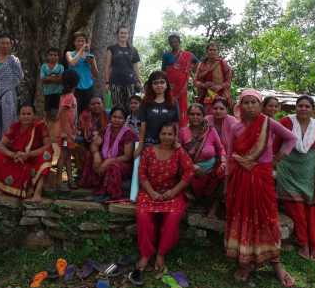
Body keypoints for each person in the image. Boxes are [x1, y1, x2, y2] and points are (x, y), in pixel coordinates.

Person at [224, 89, 298, 287]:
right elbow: (230, 152)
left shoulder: (268, 123)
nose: (250, 106)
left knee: (267, 218)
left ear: (260, 105)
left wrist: (276, 159)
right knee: (241, 219)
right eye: (246, 102)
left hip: (262, 178)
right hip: (239, 179)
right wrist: (226, 180)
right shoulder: (236, 128)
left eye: (253, 102)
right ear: (240, 105)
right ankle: (245, 263)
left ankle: (276, 264)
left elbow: (291, 138)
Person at [273, 95, 315, 263]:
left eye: (307, 106)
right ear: (295, 107)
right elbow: (275, 146)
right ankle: (303, 243)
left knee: (312, 209)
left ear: (312, 109)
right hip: (287, 172)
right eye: (300, 106)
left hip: (308, 174)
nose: (303, 109)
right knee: (296, 209)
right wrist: (271, 166)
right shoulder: (286, 122)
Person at [135, 123, 194, 273]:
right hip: (149, 193)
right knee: (143, 216)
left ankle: (161, 253)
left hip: (171, 194)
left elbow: (189, 171)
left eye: (170, 134)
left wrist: (174, 191)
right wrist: (151, 193)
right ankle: (146, 254)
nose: (166, 137)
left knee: (173, 217)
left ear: (175, 136)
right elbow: (142, 174)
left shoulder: (179, 152)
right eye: (163, 134)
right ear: (159, 135)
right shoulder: (149, 151)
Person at [0, 103, 53, 201]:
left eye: (29, 114)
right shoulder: (14, 126)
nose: (26, 116)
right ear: (19, 116)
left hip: (33, 161)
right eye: (23, 114)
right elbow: (0, 145)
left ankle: (38, 191)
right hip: (17, 160)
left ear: (35, 115)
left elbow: (48, 145)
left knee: (47, 154)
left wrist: (29, 154)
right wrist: (13, 156)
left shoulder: (40, 126)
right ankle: (2, 187)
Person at [79, 106, 138, 200]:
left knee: (112, 166)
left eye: (120, 118)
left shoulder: (128, 133)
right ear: (110, 118)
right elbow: (94, 144)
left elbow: (127, 157)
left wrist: (108, 161)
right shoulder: (107, 129)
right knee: (90, 154)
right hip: (107, 158)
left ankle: (112, 194)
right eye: (114, 117)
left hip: (123, 164)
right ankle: (92, 184)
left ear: (124, 120)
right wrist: (96, 154)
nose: (117, 120)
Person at [179, 103, 226, 220]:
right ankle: (190, 200)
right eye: (192, 114)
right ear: (188, 116)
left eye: (198, 114)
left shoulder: (210, 131)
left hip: (211, 167)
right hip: (190, 167)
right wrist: (192, 166)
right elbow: (178, 153)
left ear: (203, 116)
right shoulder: (182, 132)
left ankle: (214, 207)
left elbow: (220, 149)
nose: (195, 117)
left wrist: (224, 162)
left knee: (225, 174)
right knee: (178, 170)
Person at [133, 70, 180, 159]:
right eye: (155, 83)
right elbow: (143, 126)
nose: (159, 85)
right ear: (151, 86)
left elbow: (176, 124)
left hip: (168, 141)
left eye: (162, 82)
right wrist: (140, 146)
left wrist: (175, 139)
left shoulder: (173, 102)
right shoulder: (145, 102)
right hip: (151, 140)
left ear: (166, 84)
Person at [0, 34, 24, 146]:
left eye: (7, 43)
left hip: (9, 95)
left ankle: (9, 143)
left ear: (11, 46)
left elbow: (18, 77)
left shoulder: (14, 61)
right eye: (2, 43)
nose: (5, 45)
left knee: (8, 117)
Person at [161, 34, 199, 127]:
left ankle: (182, 126)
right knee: (169, 102)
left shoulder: (186, 55)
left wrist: (190, 69)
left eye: (176, 42)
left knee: (181, 104)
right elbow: (163, 71)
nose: (174, 44)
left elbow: (198, 62)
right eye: (172, 42)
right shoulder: (166, 55)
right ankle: (168, 125)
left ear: (179, 43)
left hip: (182, 85)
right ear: (169, 43)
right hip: (169, 85)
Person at [53, 69, 80, 192]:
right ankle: (58, 182)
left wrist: (75, 129)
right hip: (65, 133)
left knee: (68, 155)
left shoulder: (72, 97)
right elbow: (62, 113)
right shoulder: (68, 97)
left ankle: (70, 179)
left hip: (70, 132)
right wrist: (63, 131)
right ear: (76, 83)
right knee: (63, 155)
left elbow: (71, 115)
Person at [72, 95, 109, 182]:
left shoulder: (109, 114)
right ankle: (80, 173)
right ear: (89, 106)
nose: (96, 105)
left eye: (98, 103)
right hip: (88, 144)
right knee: (76, 146)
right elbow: (78, 135)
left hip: (106, 146)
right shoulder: (84, 115)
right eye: (93, 104)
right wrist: (92, 135)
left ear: (103, 104)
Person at [104, 25, 142, 110]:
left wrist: (139, 80)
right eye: (121, 33)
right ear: (117, 34)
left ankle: (129, 123)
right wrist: (107, 82)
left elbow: (135, 66)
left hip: (130, 82)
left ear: (128, 35)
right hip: (116, 81)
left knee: (130, 106)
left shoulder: (133, 50)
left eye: (125, 33)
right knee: (117, 107)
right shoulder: (112, 48)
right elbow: (108, 66)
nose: (123, 35)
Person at [193, 42, 232, 115]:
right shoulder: (202, 64)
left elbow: (229, 81)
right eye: (210, 50)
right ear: (207, 52)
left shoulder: (224, 64)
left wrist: (220, 86)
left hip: (221, 95)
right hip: (205, 96)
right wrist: (204, 85)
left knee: (221, 116)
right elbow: (195, 82)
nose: (212, 52)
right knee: (207, 117)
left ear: (218, 52)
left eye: (214, 50)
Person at [66, 31, 99, 116]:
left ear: (85, 42)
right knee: (75, 111)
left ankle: (86, 128)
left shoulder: (90, 56)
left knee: (87, 111)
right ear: (74, 42)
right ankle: (75, 129)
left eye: (83, 41)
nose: (80, 43)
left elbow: (97, 75)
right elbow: (72, 63)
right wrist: (81, 51)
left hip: (88, 87)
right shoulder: (70, 53)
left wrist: (91, 63)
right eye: (78, 41)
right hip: (75, 88)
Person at [40, 47, 64, 124]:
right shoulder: (43, 67)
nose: (53, 57)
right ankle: (45, 129)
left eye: (55, 55)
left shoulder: (60, 67)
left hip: (58, 92)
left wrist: (48, 77)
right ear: (47, 56)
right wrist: (55, 79)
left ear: (58, 57)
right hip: (48, 93)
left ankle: (59, 128)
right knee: (47, 112)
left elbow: (60, 80)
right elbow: (43, 81)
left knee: (60, 111)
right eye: (50, 55)